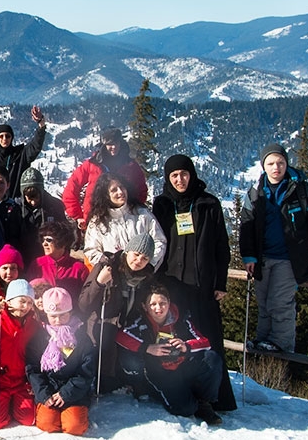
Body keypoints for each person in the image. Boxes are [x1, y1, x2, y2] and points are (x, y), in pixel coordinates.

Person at [153, 154, 236, 411]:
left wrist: (220, 282)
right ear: (168, 178)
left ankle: (215, 396)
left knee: (208, 338)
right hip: (172, 285)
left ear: (192, 175)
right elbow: (156, 243)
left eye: (184, 174)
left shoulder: (208, 204)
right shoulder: (162, 204)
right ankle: (182, 395)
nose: (180, 180)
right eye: (174, 176)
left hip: (203, 286)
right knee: (176, 338)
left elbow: (221, 245)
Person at [240, 142, 308, 353]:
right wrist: (249, 256)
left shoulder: (302, 190)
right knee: (263, 303)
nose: (276, 167)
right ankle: (263, 341)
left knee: (280, 302)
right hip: (262, 258)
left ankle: (281, 344)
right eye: (270, 163)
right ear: (263, 166)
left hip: (290, 257)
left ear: (287, 163)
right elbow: (246, 228)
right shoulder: (256, 192)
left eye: (280, 162)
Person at [116, 284, 223, 425]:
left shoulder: (181, 319)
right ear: (145, 306)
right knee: (186, 409)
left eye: (162, 303)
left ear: (169, 303)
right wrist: (148, 348)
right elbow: (121, 336)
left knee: (212, 359)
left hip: (182, 366)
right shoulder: (141, 322)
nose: (158, 308)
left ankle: (204, 403)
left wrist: (186, 346)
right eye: (153, 304)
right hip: (158, 372)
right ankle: (154, 390)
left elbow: (205, 342)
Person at [79, 233, 158, 393]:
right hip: (100, 327)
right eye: (136, 254)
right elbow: (83, 304)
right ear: (127, 251)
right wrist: (99, 283)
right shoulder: (107, 266)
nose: (139, 261)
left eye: (145, 258)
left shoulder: (145, 277)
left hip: (125, 329)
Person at [26, 287, 95, 435]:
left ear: (70, 312)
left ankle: (75, 412)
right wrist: (44, 394)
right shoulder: (40, 337)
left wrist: (66, 393)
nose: (58, 321)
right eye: (53, 316)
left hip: (74, 392)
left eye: (63, 315)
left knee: (74, 427)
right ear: (46, 314)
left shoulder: (81, 337)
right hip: (49, 390)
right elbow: (33, 369)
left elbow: (86, 371)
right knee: (48, 424)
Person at [0, 279, 40, 430]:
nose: (26, 306)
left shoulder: (32, 324)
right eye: (22, 301)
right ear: (9, 301)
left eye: (29, 303)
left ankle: (13, 404)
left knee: (29, 419)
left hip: (21, 380)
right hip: (1, 380)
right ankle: (3, 404)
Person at [62, 128, 149, 230]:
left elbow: (141, 190)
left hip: (125, 221)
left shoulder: (131, 165)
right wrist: (78, 216)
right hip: (95, 219)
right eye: (110, 144)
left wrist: (134, 210)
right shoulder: (92, 164)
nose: (114, 147)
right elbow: (71, 188)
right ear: (104, 145)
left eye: (116, 143)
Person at [83, 173, 166, 268]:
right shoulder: (98, 222)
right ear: (105, 195)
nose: (120, 192)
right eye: (114, 190)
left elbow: (159, 241)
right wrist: (111, 266)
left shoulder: (142, 214)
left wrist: (149, 265)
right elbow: (91, 250)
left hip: (143, 273)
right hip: (113, 274)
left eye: (122, 187)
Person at [0, 106, 47, 199]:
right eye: (1, 136)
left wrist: (41, 123)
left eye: (7, 136)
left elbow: (36, 146)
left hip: (17, 203)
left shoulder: (21, 154)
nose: (4, 139)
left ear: (12, 138)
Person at [8, 167, 67, 268]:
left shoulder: (55, 207)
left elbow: (64, 234)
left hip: (50, 261)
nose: (33, 202)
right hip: (24, 260)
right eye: (29, 198)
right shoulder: (16, 209)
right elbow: (12, 237)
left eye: (36, 197)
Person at [29, 220, 88, 305]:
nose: (44, 244)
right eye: (43, 240)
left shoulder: (79, 268)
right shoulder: (37, 265)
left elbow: (84, 299)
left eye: (49, 240)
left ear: (63, 242)